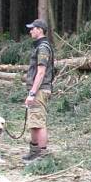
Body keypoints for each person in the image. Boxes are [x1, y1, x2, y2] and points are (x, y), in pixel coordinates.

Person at [22, 18, 55, 162]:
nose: (30, 31)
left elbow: (41, 72)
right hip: (38, 90)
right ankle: (34, 151)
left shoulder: (43, 48)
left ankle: (42, 155)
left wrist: (32, 93)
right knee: (34, 122)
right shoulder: (39, 46)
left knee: (39, 123)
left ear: (39, 30)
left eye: (32, 28)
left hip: (40, 90)